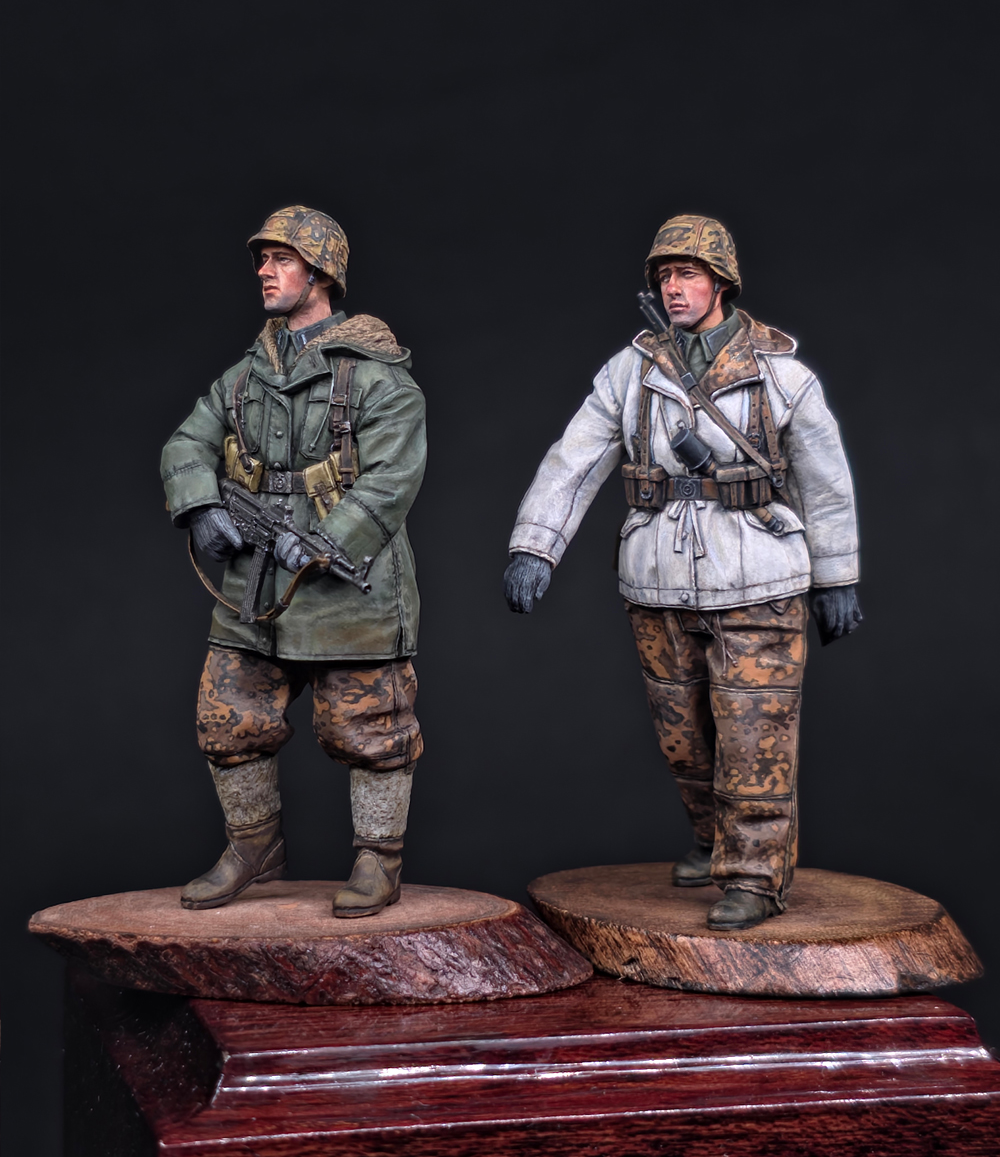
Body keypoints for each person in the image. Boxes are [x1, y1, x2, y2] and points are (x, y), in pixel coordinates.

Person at [504, 214, 861, 931]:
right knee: (684, 738)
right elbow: (575, 458)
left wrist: (837, 577)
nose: (673, 287)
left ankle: (755, 876)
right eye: (664, 275)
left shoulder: (781, 375)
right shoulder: (630, 371)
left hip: (759, 577)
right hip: (658, 577)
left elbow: (825, 484)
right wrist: (534, 546)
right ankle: (713, 838)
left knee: (755, 737)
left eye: (688, 274)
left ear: (721, 282)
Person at [161, 205, 426, 918]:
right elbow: (187, 442)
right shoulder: (244, 376)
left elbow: (391, 478)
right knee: (228, 717)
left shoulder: (376, 378)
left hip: (349, 590)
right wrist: (201, 505)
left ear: (321, 273)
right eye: (263, 258)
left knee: (370, 730)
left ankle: (379, 858)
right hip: (256, 586)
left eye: (282, 259)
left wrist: (324, 541)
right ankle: (253, 845)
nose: (265, 271)